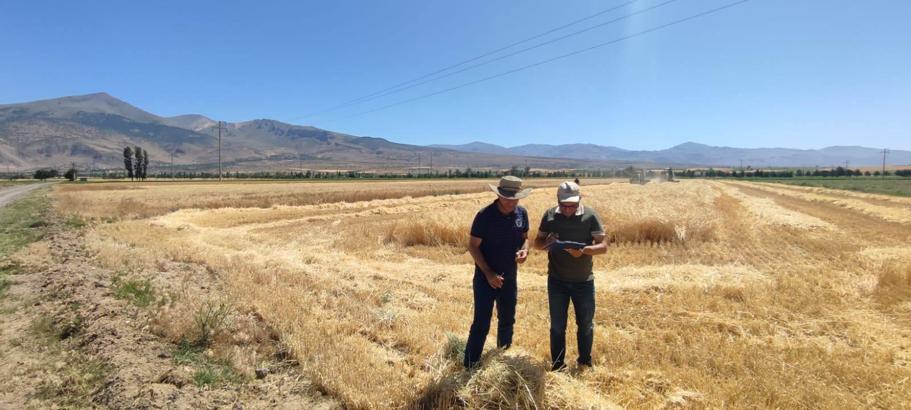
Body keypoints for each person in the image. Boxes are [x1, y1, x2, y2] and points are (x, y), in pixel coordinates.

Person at [534, 181, 607, 371]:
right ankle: (558, 365)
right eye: (564, 205)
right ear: (558, 200)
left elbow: (603, 246)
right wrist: (547, 242)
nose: (568, 209)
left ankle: (584, 362)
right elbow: (537, 243)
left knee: (585, 325)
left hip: (583, 282)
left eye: (572, 205)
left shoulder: (590, 216)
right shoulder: (550, 215)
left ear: (580, 200)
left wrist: (583, 251)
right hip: (557, 281)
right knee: (557, 326)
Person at [463, 176, 531, 369]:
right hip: (485, 278)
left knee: (507, 319)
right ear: (499, 195)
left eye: (515, 198)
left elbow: (525, 238)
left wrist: (525, 250)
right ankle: (469, 366)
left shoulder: (521, 214)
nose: (511, 202)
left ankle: (502, 361)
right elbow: (473, 246)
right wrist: (488, 273)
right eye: (507, 197)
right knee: (481, 323)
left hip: (510, 277)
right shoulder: (485, 216)